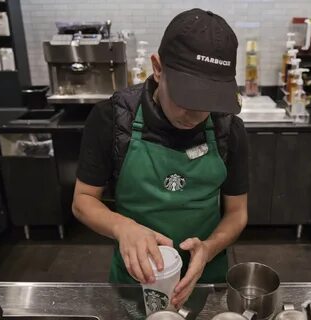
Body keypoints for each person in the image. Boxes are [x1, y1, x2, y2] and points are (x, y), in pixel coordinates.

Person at [72, 8, 248, 307]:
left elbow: (237, 212)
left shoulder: (227, 128)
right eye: (188, 98)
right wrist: (122, 227)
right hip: (136, 280)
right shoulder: (113, 119)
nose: (195, 115)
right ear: (158, 67)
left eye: (208, 102)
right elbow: (83, 200)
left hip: (206, 278)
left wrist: (208, 248)